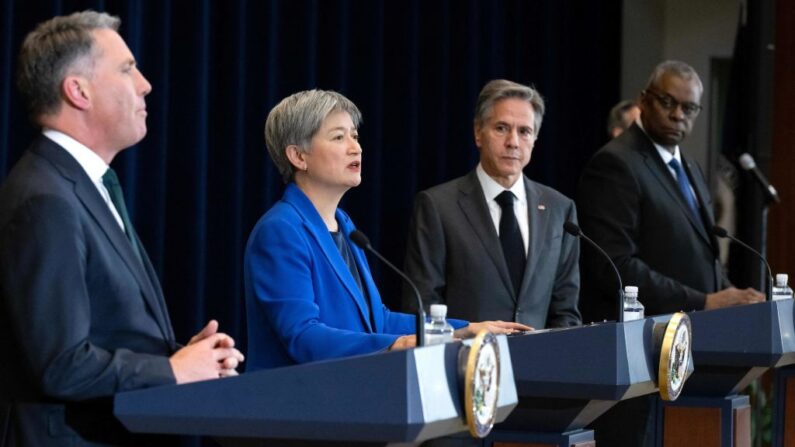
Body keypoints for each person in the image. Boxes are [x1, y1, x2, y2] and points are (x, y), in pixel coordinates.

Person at [0, 11, 244, 446]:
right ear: (78, 91)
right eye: (127, 69)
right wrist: (171, 371)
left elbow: (101, 333)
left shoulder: (82, 185)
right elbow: (60, 364)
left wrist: (184, 357)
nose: (145, 83)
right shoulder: (46, 198)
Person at [244, 89, 530, 371]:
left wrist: (463, 330)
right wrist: (397, 345)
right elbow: (303, 336)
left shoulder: (345, 226)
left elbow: (378, 320)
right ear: (298, 156)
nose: (356, 147)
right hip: (296, 407)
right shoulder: (281, 231)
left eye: (355, 136)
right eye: (338, 137)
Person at [576, 60, 763, 447]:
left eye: (689, 108)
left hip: (689, 360)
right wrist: (706, 301)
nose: (678, 114)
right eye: (668, 102)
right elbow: (615, 267)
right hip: (641, 366)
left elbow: (702, 255)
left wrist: (735, 301)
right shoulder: (615, 163)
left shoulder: (690, 167)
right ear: (644, 100)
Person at [402, 79, 581, 329]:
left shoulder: (560, 209)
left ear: (535, 139)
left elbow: (565, 311)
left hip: (542, 363)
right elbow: (422, 306)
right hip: (465, 362)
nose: (513, 142)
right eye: (501, 128)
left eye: (524, 131)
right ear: (478, 132)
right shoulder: (438, 207)